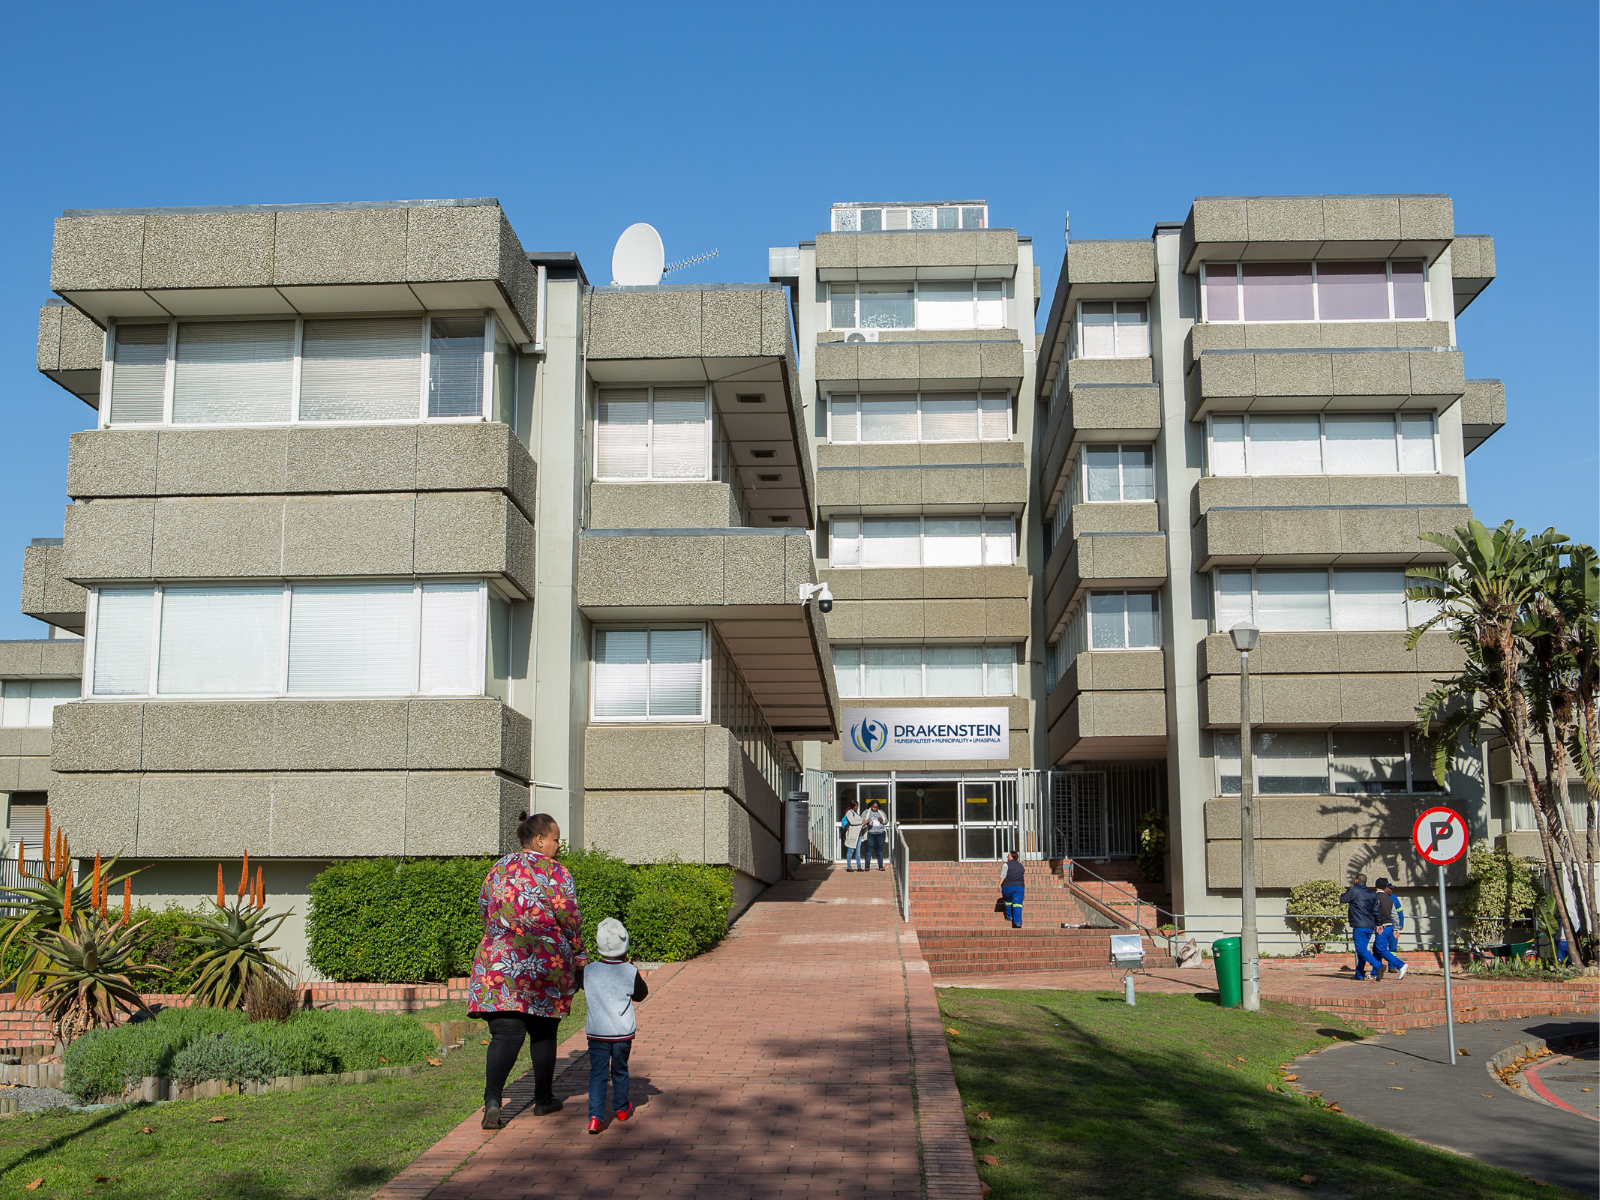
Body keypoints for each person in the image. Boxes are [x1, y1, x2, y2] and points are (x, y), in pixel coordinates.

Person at [467, 812, 587, 1130]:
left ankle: (492, 1100)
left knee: (506, 1033)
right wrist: (579, 956)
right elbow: (569, 918)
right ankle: (543, 1099)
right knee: (543, 1031)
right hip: (543, 966)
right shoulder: (556, 872)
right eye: (556, 838)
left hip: (499, 964)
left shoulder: (498, 868)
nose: (559, 845)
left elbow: (485, 908)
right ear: (539, 840)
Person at [583, 917, 649, 1134]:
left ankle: (595, 1117)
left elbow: (576, 983)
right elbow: (641, 994)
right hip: (621, 1033)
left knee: (598, 1074)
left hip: (598, 1033)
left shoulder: (589, 971)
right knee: (620, 1070)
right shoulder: (629, 971)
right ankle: (621, 1109)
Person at [1338, 872, 1381, 982]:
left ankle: (1377, 965)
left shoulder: (1353, 891)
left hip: (1359, 925)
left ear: (1356, 880)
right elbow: (1376, 910)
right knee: (1362, 950)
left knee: (1360, 949)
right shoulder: (1372, 894)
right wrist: (1379, 923)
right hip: (1370, 925)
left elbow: (1342, 899)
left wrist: (1346, 892)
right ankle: (1359, 973)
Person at [1371, 878, 1408, 980]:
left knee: (1381, 949)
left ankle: (1400, 965)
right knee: (1376, 949)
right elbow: (1395, 915)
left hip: (1381, 928)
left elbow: (1375, 912)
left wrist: (1377, 924)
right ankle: (1375, 972)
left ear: (1376, 885)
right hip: (1389, 927)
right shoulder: (1390, 899)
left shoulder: (1375, 897)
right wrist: (1396, 928)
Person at [999, 851, 1025, 928]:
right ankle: (1018, 923)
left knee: (1008, 902)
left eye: (1009, 855)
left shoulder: (1006, 865)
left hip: (1008, 886)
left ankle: (1009, 916)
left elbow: (1003, 875)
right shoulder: (1021, 866)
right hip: (1019, 887)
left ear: (1013, 856)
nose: (1007, 857)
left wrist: (999, 884)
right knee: (1017, 904)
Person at [862, 801, 888, 871]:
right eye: (873, 807)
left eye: (876, 807)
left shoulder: (881, 812)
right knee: (869, 850)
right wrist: (867, 822)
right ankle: (867, 866)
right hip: (870, 833)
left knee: (879, 850)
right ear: (871, 806)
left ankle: (880, 866)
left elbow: (886, 821)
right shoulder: (866, 812)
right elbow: (862, 821)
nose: (875, 809)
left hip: (880, 833)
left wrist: (882, 820)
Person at [840, 799, 865, 871]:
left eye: (858, 806)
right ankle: (849, 866)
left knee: (858, 851)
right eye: (856, 806)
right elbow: (852, 822)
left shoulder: (856, 813)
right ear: (853, 806)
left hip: (858, 834)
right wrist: (862, 822)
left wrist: (864, 822)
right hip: (852, 834)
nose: (857, 807)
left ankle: (859, 866)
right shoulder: (849, 812)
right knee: (850, 850)